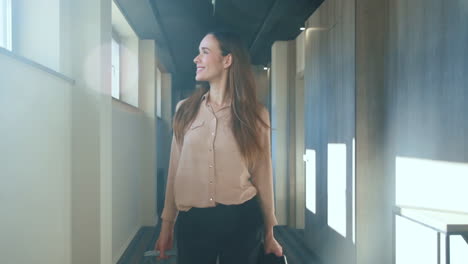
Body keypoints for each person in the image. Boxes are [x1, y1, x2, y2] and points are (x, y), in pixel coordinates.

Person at [154, 31, 283, 264]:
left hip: (242, 219)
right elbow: (175, 171)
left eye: (204, 52)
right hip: (193, 222)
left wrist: (269, 232)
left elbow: (263, 174)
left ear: (227, 60)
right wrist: (167, 226)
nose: (196, 59)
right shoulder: (184, 110)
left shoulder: (255, 115)